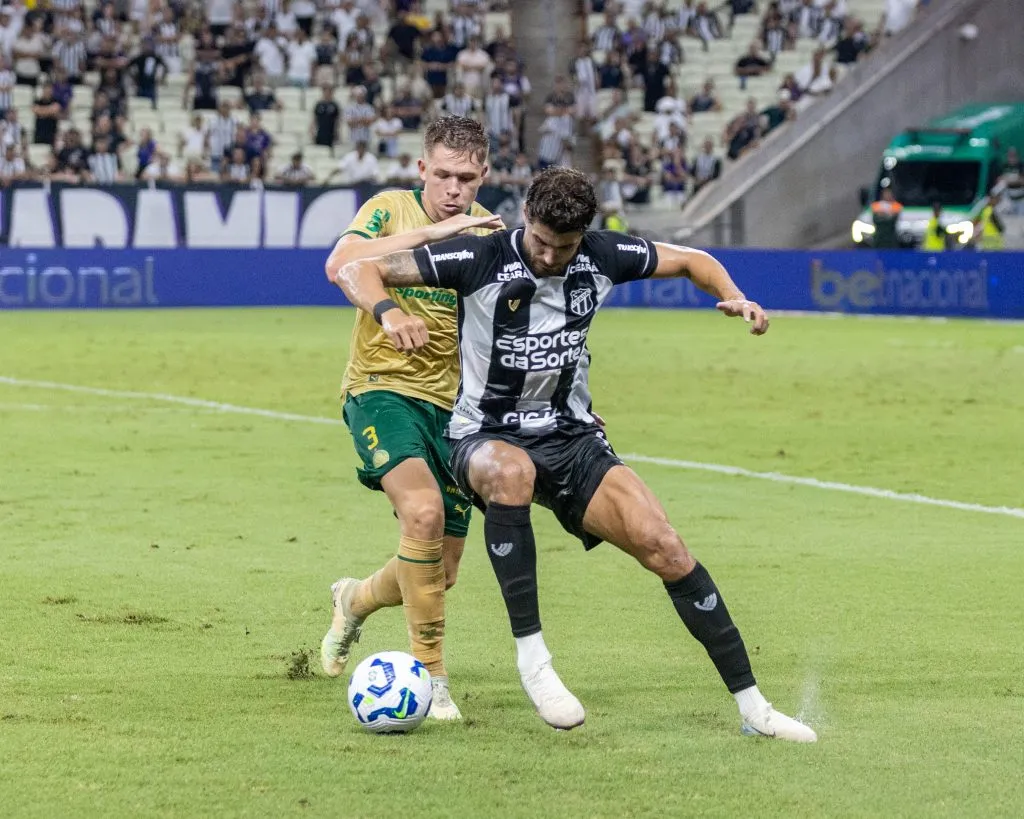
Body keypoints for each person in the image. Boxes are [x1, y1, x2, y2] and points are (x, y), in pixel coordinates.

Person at [330, 167, 817, 742]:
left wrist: (734, 297)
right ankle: (535, 667)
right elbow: (359, 268)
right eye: (538, 240)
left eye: (562, 247)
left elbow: (691, 259)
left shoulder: (601, 256)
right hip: (483, 436)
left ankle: (753, 706)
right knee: (512, 473)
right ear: (525, 221)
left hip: (573, 437)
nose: (548, 256)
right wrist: (389, 312)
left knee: (665, 546)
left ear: (582, 235)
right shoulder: (480, 257)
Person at [319, 117, 505, 721]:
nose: (454, 188)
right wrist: (389, 308)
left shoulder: (490, 234)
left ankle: (354, 599)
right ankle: (432, 677)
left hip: (455, 410)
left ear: (484, 175)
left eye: (467, 179)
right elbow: (342, 261)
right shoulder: (389, 208)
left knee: (439, 571)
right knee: (421, 513)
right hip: (381, 390)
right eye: (444, 175)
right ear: (422, 169)